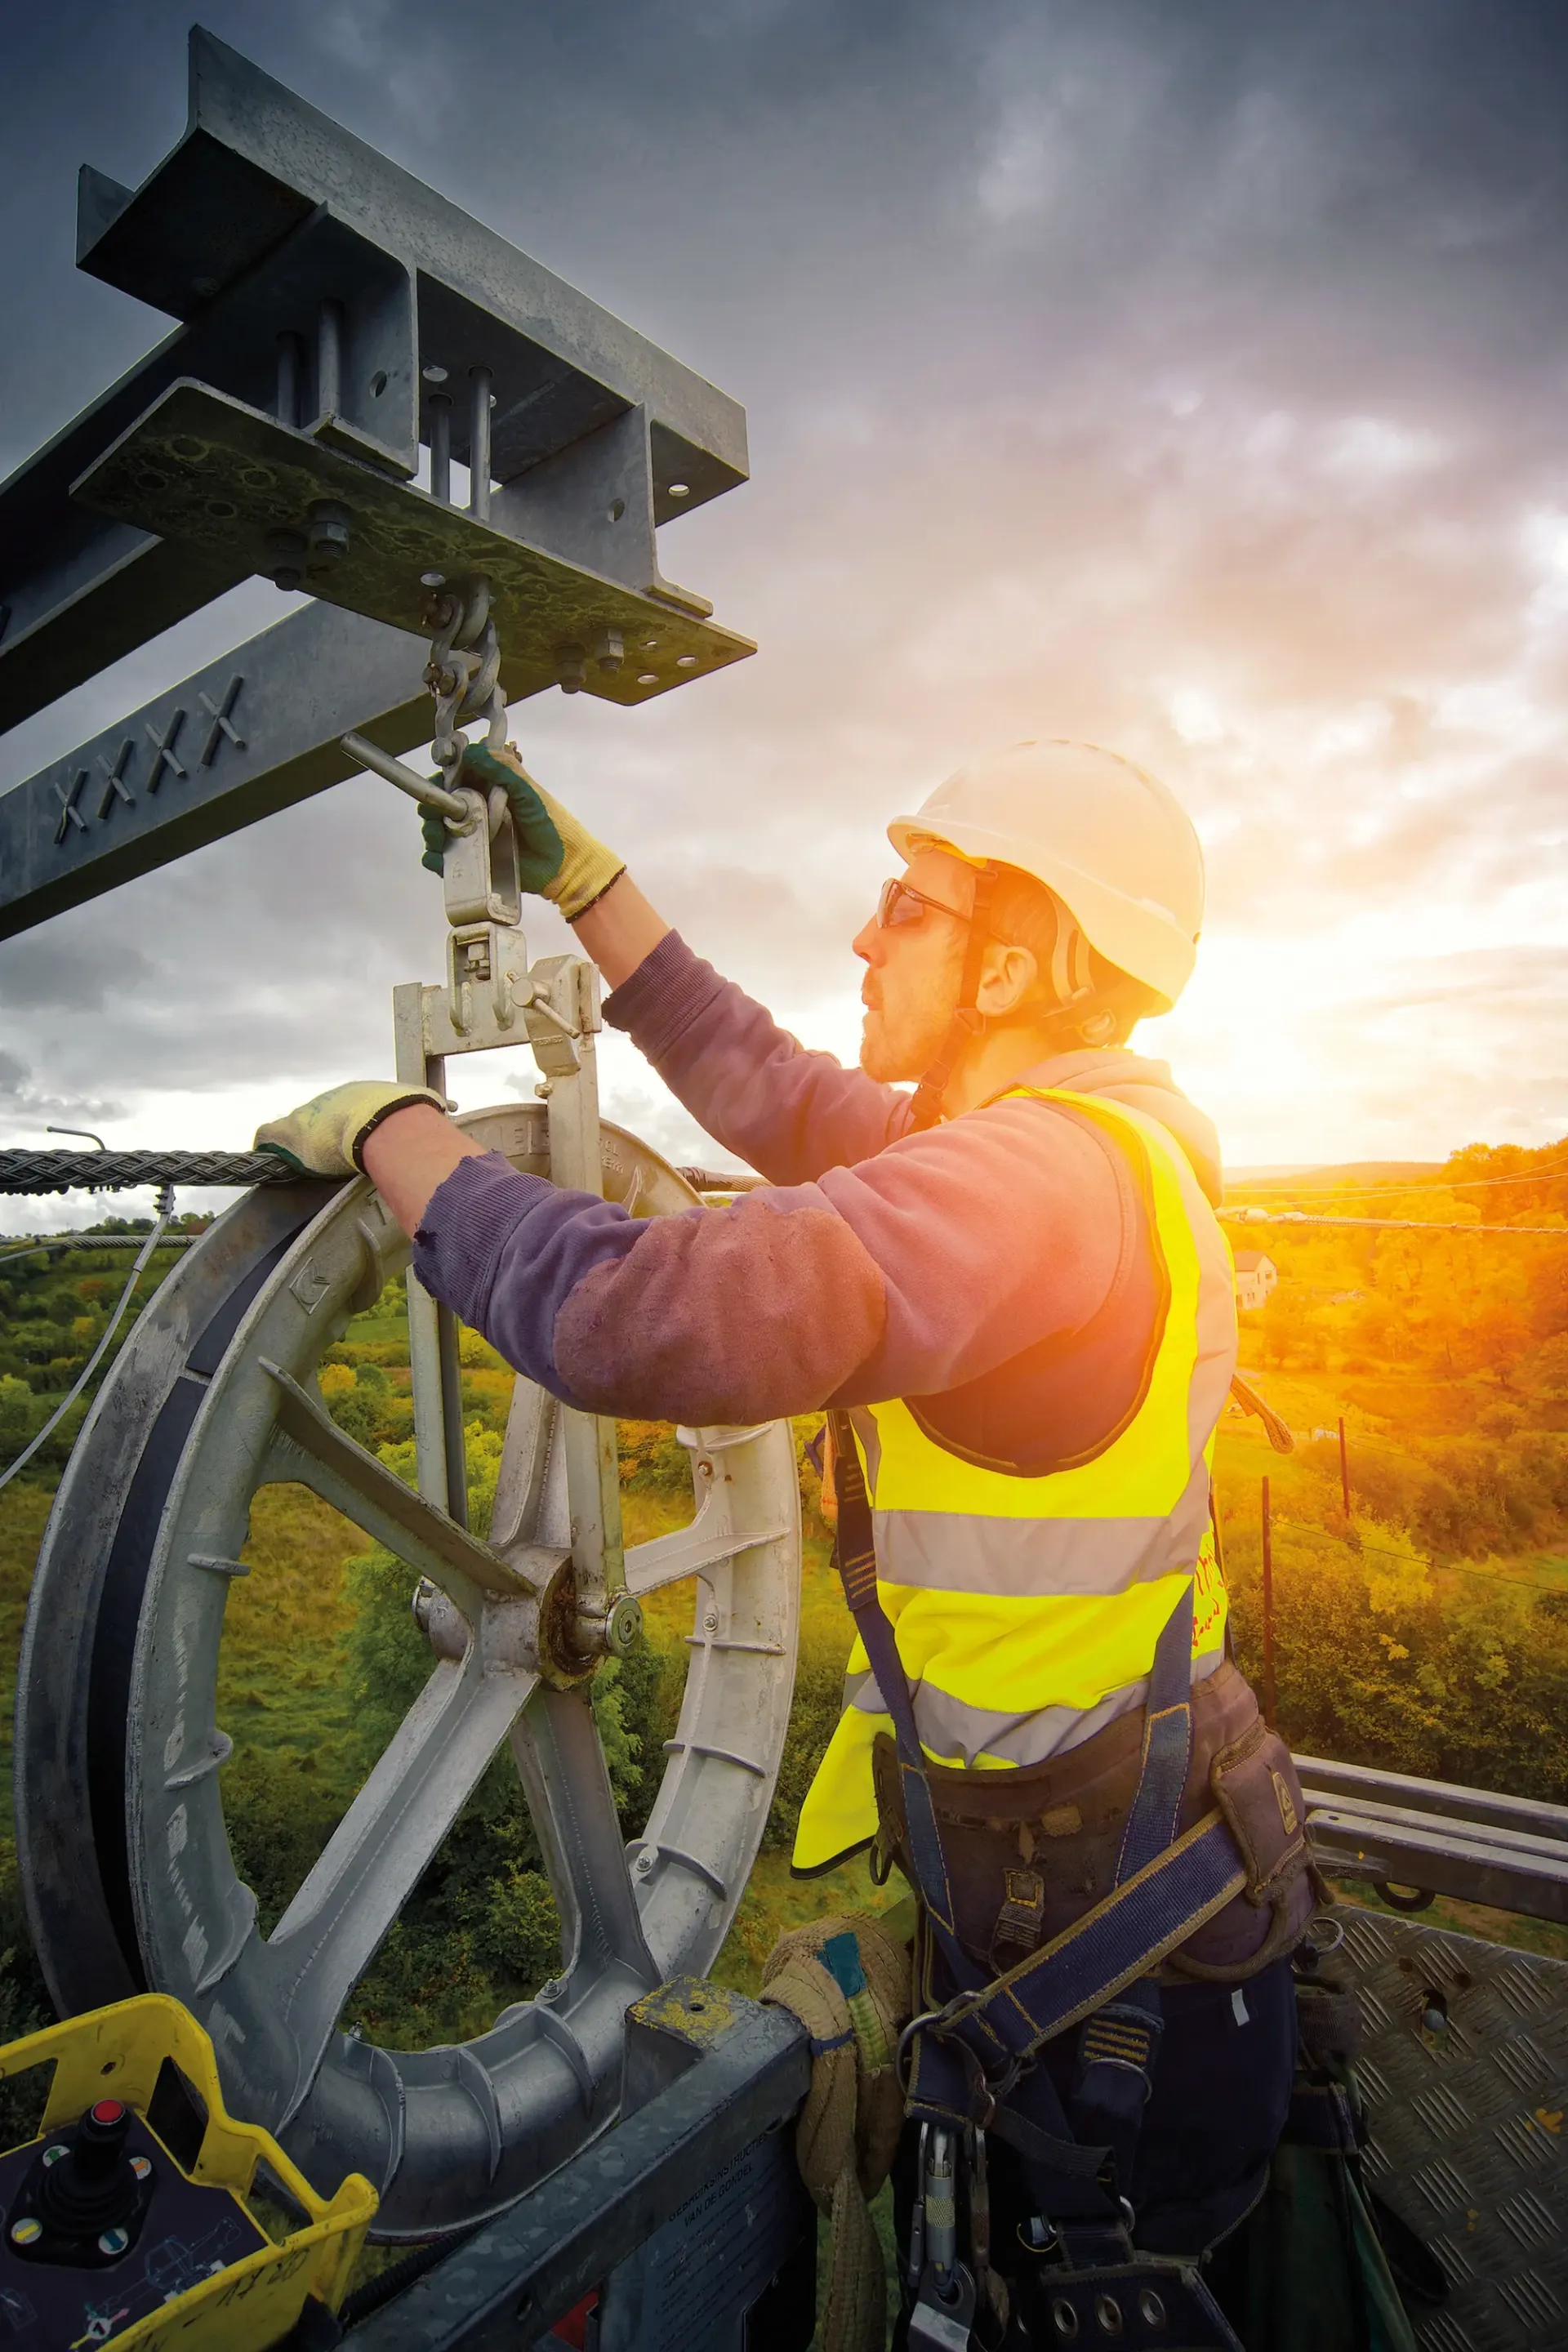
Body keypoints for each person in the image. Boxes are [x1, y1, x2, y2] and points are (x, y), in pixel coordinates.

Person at [258, 737, 1316, 2342]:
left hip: (1119, 1970)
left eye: (909, 906)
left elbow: (639, 1314)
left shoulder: (1042, 1186)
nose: (865, 935)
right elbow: (780, 1098)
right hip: (1096, 1885)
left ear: (1020, 961)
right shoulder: (1067, 1146)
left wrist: (404, 1139)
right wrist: (589, 886)